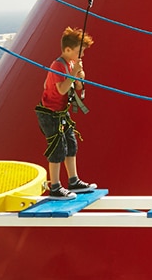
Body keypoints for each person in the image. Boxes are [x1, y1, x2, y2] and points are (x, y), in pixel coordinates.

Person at [35, 26, 99, 199]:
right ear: (68, 50)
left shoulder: (71, 63)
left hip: (61, 112)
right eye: (80, 52)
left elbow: (77, 87)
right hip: (49, 113)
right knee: (57, 148)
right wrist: (72, 73)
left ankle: (74, 180)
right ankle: (55, 186)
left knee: (71, 144)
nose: (82, 56)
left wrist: (79, 76)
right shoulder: (57, 65)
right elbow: (62, 90)